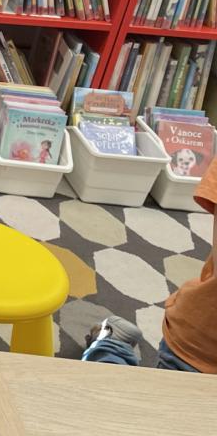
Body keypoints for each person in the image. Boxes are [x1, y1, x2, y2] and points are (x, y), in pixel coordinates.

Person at [81, 154, 217, 372]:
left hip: (201, 343)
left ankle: (112, 344)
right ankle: (109, 347)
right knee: (109, 391)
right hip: (201, 347)